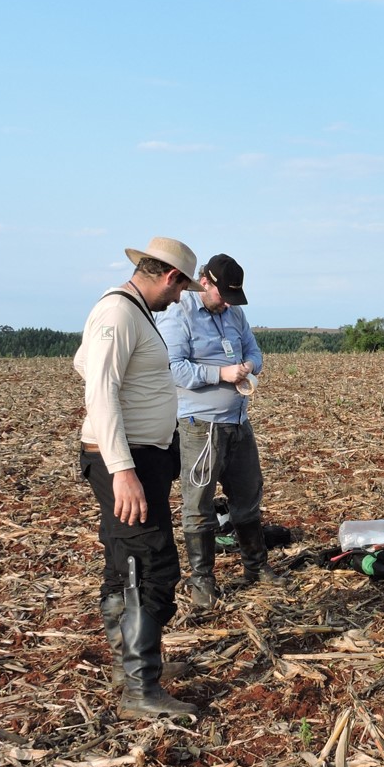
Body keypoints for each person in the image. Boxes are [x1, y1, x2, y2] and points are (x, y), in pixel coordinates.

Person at [75, 237, 203, 718]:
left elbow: (84, 363)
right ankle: (140, 687)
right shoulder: (118, 313)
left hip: (138, 457)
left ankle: (130, 664)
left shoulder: (130, 312)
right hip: (124, 461)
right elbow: (100, 392)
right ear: (170, 277)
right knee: (150, 566)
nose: (179, 298)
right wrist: (123, 470)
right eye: (180, 289)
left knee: (123, 562)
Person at [156, 253, 283, 613]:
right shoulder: (178, 315)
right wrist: (221, 375)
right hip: (200, 426)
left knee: (248, 495)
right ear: (205, 282)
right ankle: (202, 581)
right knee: (198, 506)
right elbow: (173, 369)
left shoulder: (235, 313)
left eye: (233, 297)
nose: (227, 302)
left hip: (238, 422)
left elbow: (254, 349)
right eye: (223, 294)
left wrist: (249, 366)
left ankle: (256, 567)